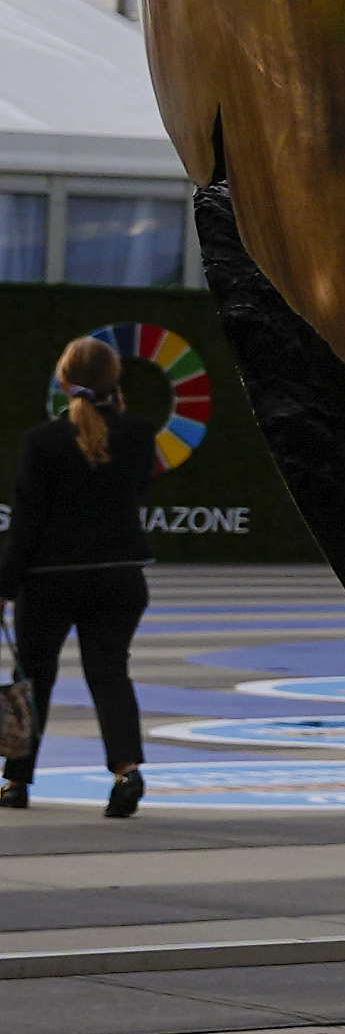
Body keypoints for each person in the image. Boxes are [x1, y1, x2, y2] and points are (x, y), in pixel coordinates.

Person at [0, 335, 151, 818]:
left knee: (33, 677)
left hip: (50, 579)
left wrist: (4, 585)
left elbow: (26, 524)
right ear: (115, 381)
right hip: (120, 576)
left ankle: (16, 783)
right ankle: (127, 771)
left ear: (63, 380)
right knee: (109, 674)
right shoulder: (139, 434)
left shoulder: (40, 442)